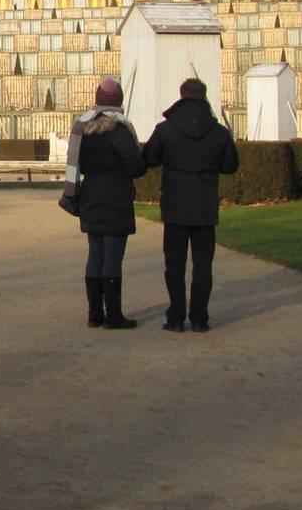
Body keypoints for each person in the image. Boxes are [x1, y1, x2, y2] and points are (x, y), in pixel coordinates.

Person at [142, 77, 240, 333]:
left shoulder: (166, 129)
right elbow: (230, 166)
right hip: (205, 205)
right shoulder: (219, 132)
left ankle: (176, 317)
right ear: (204, 96)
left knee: (174, 265)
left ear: (182, 95)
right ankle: (199, 318)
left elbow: (149, 158)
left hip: (175, 204)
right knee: (203, 266)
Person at [59, 77, 147, 330]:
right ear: (119, 101)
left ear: (97, 99)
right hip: (116, 197)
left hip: (91, 195)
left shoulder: (83, 130)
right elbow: (136, 167)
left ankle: (95, 314)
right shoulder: (120, 131)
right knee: (113, 257)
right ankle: (114, 316)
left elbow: (75, 164)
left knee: (95, 253)